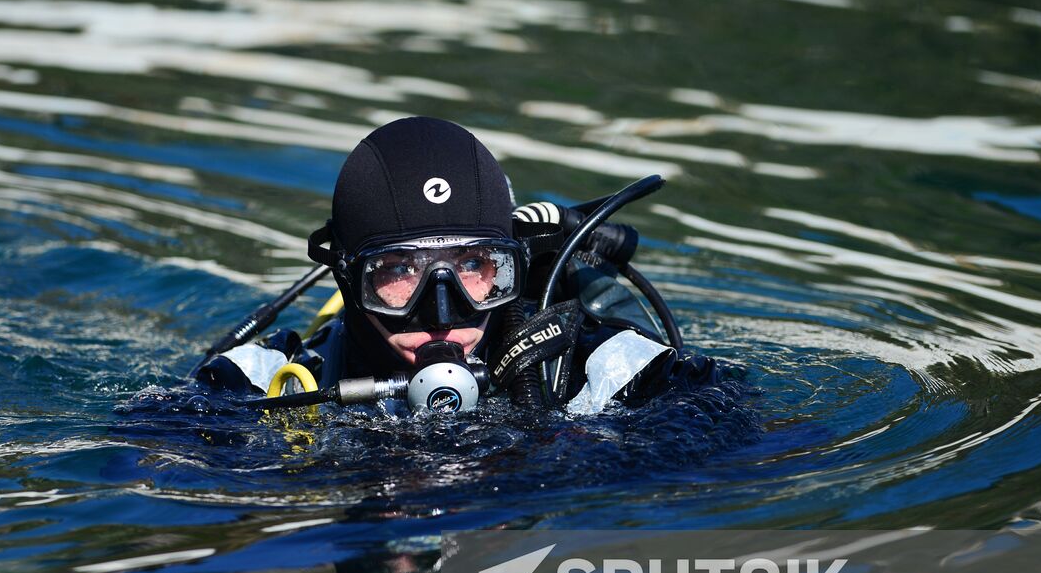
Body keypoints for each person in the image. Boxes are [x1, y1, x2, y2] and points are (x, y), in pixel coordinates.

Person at [192, 117, 736, 416]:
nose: (443, 312)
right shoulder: (274, 383)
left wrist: (550, 435)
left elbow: (732, 428)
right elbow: (145, 451)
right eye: (400, 271)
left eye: (476, 264)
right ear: (347, 279)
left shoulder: (585, 368)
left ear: (511, 269)